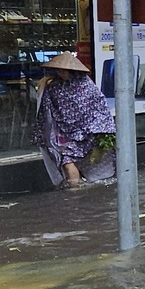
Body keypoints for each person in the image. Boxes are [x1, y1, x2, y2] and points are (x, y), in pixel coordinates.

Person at [32, 51, 114, 189]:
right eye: (58, 70)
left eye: (64, 70)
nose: (61, 73)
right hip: (68, 134)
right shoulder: (56, 86)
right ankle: (76, 190)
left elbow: (98, 107)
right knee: (68, 161)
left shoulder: (86, 86)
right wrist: (45, 80)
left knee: (70, 161)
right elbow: (44, 101)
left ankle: (75, 192)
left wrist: (98, 129)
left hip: (89, 131)